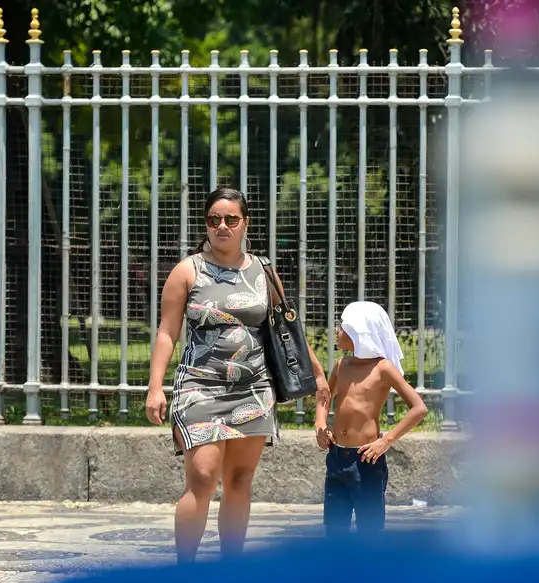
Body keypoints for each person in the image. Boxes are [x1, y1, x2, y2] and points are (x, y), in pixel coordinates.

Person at [145, 187, 330, 564]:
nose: (222, 226)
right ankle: (186, 571)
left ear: (245, 223)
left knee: (240, 480)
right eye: (214, 220)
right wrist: (154, 388)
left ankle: (231, 572)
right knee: (201, 477)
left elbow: (285, 328)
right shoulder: (188, 270)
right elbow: (167, 332)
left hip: (254, 389)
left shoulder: (263, 271)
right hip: (200, 387)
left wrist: (318, 373)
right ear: (206, 225)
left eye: (231, 219)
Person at [318, 301, 428, 536]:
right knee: (334, 534)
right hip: (336, 459)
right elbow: (325, 396)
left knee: (370, 533)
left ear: (359, 332)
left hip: (366, 461)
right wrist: (320, 424)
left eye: (342, 327)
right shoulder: (341, 365)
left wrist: (385, 441)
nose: (337, 332)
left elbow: (418, 408)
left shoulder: (383, 369)